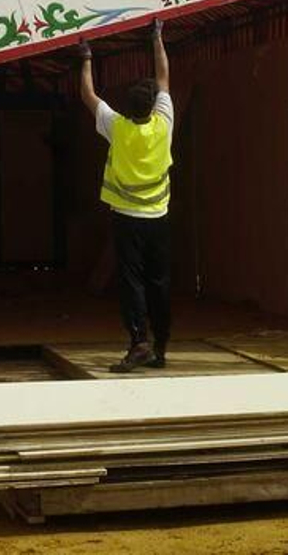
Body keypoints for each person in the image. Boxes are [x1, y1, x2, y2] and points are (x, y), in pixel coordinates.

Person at [78, 20, 175, 373]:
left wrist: (87, 57)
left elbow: (88, 96)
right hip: (158, 217)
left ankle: (139, 342)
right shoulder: (164, 123)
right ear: (152, 106)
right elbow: (163, 76)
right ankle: (161, 347)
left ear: (128, 107)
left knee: (132, 281)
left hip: (125, 218)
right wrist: (157, 37)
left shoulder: (116, 127)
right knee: (159, 281)